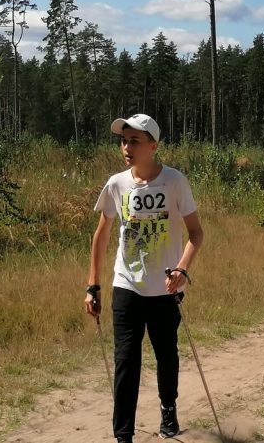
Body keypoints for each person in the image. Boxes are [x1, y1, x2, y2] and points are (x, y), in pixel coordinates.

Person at [84, 113, 203, 443]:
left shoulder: (175, 181)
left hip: (164, 288)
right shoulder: (116, 184)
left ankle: (168, 407)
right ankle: (123, 435)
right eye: (124, 141)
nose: (127, 147)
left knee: (166, 356)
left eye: (134, 141)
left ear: (153, 146)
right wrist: (93, 286)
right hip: (127, 286)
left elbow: (196, 233)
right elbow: (101, 236)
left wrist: (182, 269)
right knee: (126, 361)